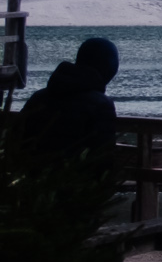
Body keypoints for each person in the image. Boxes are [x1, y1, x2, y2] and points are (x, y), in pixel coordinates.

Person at [14, 35, 120, 165]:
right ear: (108, 68)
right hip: (75, 180)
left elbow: (17, 140)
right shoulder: (101, 105)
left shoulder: (38, 97)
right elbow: (102, 156)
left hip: (30, 177)